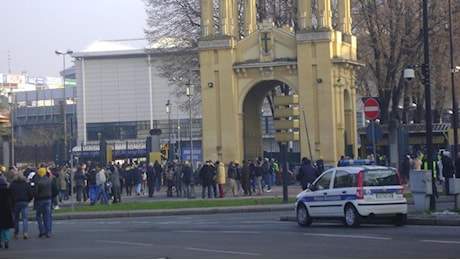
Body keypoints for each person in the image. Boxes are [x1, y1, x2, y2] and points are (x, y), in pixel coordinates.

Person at [34, 167, 58, 238]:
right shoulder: (50, 180)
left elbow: (35, 192)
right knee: (47, 216)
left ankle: (41, 230)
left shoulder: (37, 181)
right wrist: (52, 196)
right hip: (48, 199)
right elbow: (55, 190)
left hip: (39, 200)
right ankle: (48, 232)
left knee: (38, 215)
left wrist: (36, 197)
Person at [9, 174, 33, 240]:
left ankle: (16, 233)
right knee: (25, 218)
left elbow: (10, 194)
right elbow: (31, 194)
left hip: (16, 202)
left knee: (16, 218)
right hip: (24, 201)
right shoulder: (26, 184)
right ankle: (25, 232)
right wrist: (28, 200)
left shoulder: (13, 185)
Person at [0, 178, 14, 248]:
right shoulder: (8, 192)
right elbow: (12, 201)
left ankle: (0, 241)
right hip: (7, 211)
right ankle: (6, 240)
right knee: (6, 228)